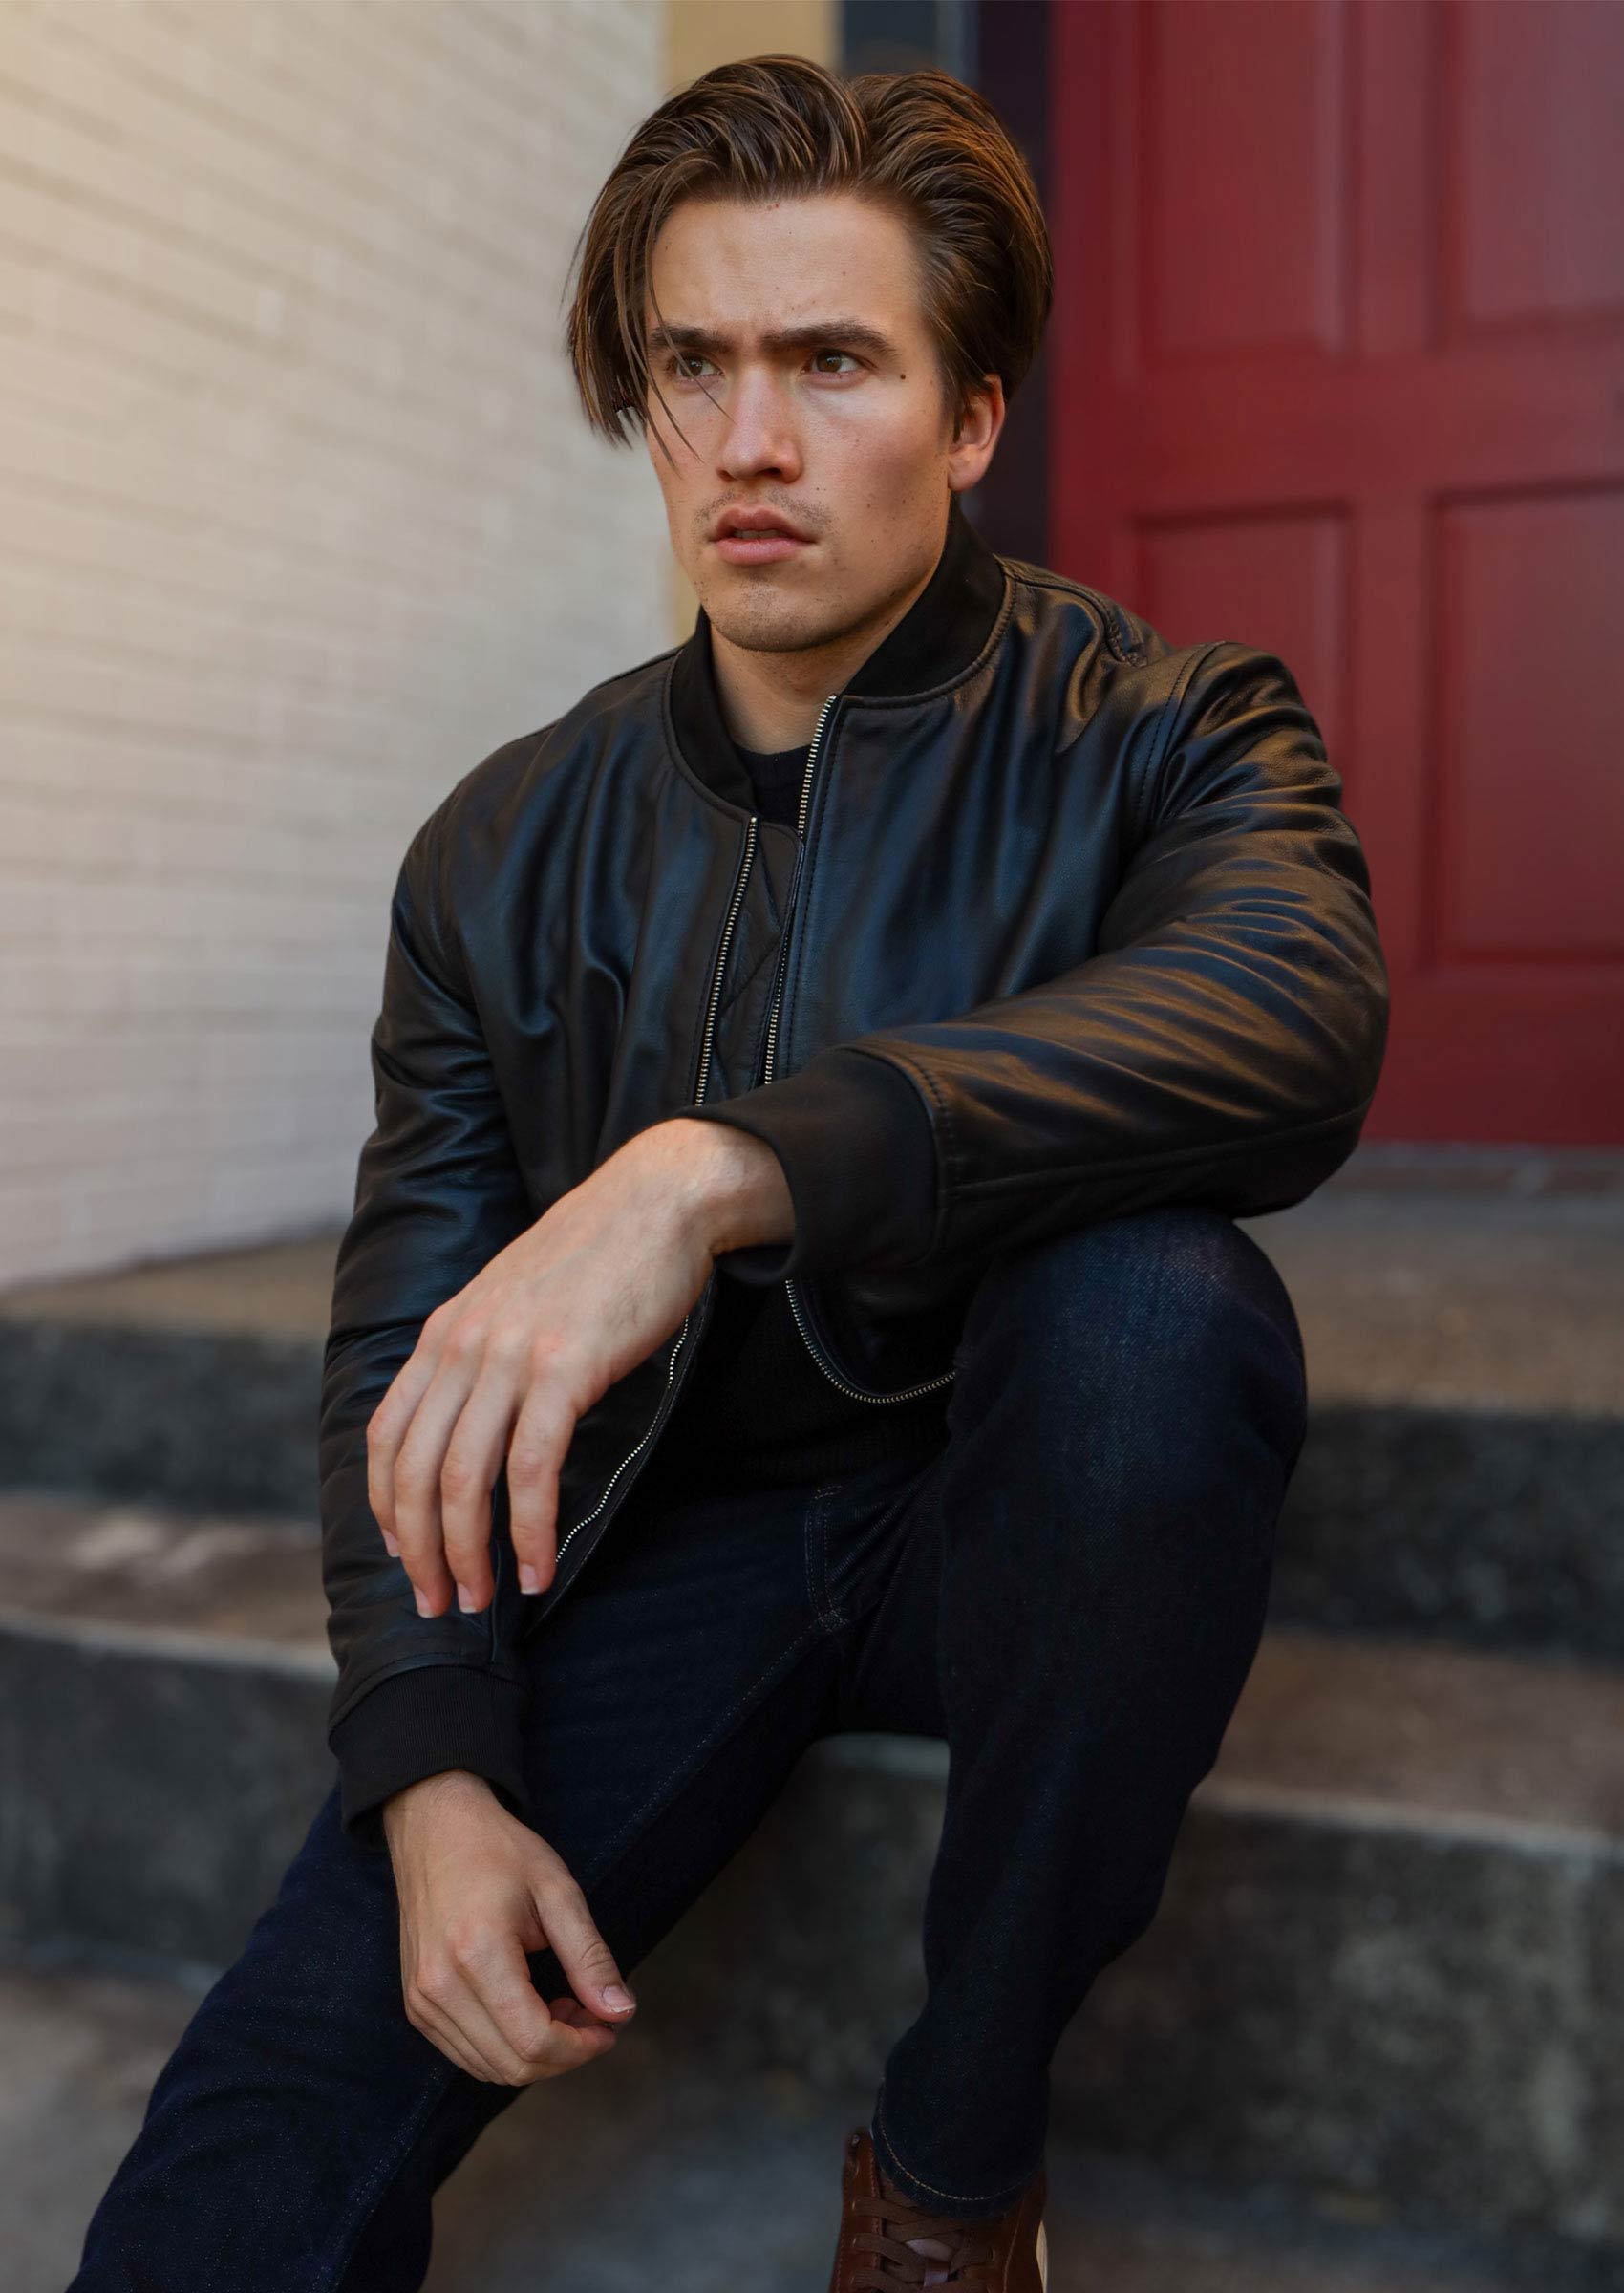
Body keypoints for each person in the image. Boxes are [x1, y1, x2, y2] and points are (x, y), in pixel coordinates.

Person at [71, 54, 1388, 2292]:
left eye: (832, 362)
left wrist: (717, 1171)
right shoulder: (502, 844)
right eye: (693, 364)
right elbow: (412, 1321)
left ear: (970, 419)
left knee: (1159, 1314)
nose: (748, 443)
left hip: (1021, 1497)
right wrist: (429, 1760)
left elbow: (1293, 1013)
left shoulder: (1169, 727)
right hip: (663, 1531)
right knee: (236, 2179)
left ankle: (960, 2168)